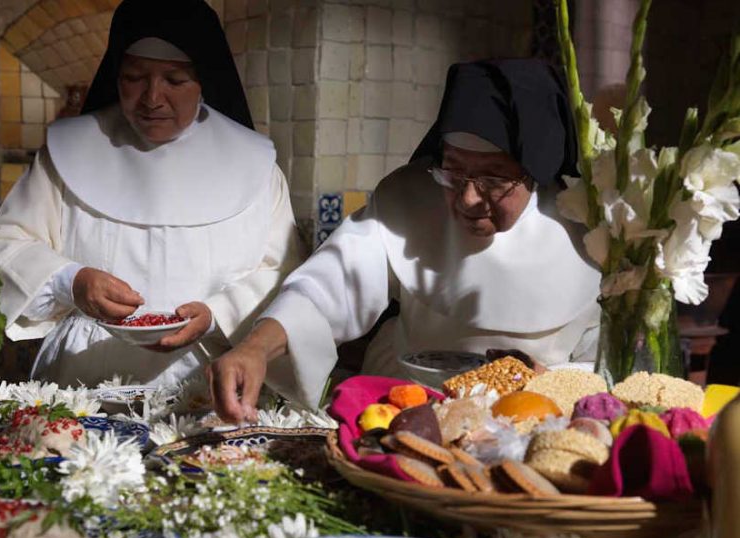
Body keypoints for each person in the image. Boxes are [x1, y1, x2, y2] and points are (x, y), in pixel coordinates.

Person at [209, 59, 602, 422]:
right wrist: (256, 347)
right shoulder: (409, 197)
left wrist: (549, 380)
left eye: (494, 180)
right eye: (453, 171)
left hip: (539, 417)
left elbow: (605, 365)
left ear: (536, 171)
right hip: (402, 407)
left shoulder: (591, 224)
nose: (467, 198)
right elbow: (328, 286)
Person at [0, 0, 304, 388]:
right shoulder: (68, 152)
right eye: (134, 77)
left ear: (204, 79)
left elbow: (284, 272)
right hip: (84, 372)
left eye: (175, 80)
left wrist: (218, 313)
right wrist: (71, 281)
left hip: (209, 374)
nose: (152, 98)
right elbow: (2, 244)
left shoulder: (255, 165)